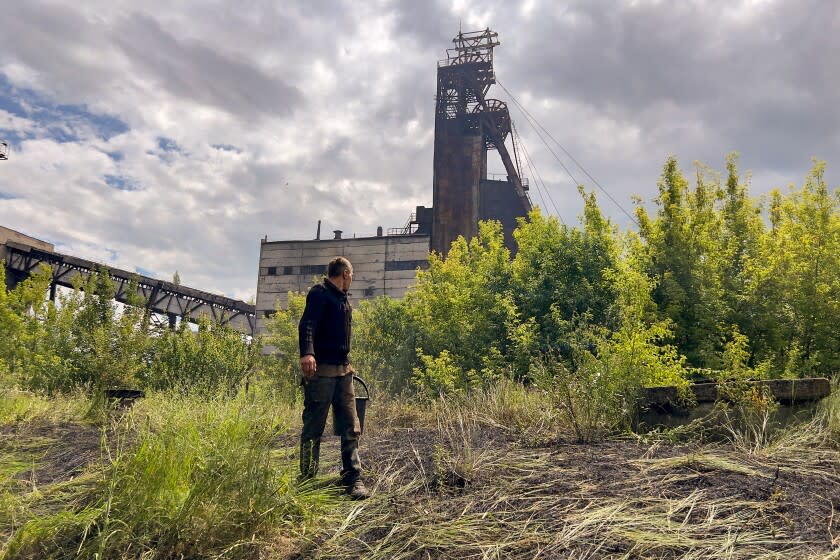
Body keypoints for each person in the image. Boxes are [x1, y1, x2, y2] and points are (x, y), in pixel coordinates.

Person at [298, 256, 368, 499]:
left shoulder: (342, 298)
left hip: (343, 372)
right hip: (322, 372)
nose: (352, 280)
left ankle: (352, 477)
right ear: (345, 274)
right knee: (314, 427)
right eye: (351, 276)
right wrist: (307, 352)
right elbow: (307, 324)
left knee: (351, 425)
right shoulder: (320, 293)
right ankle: (307, 480)